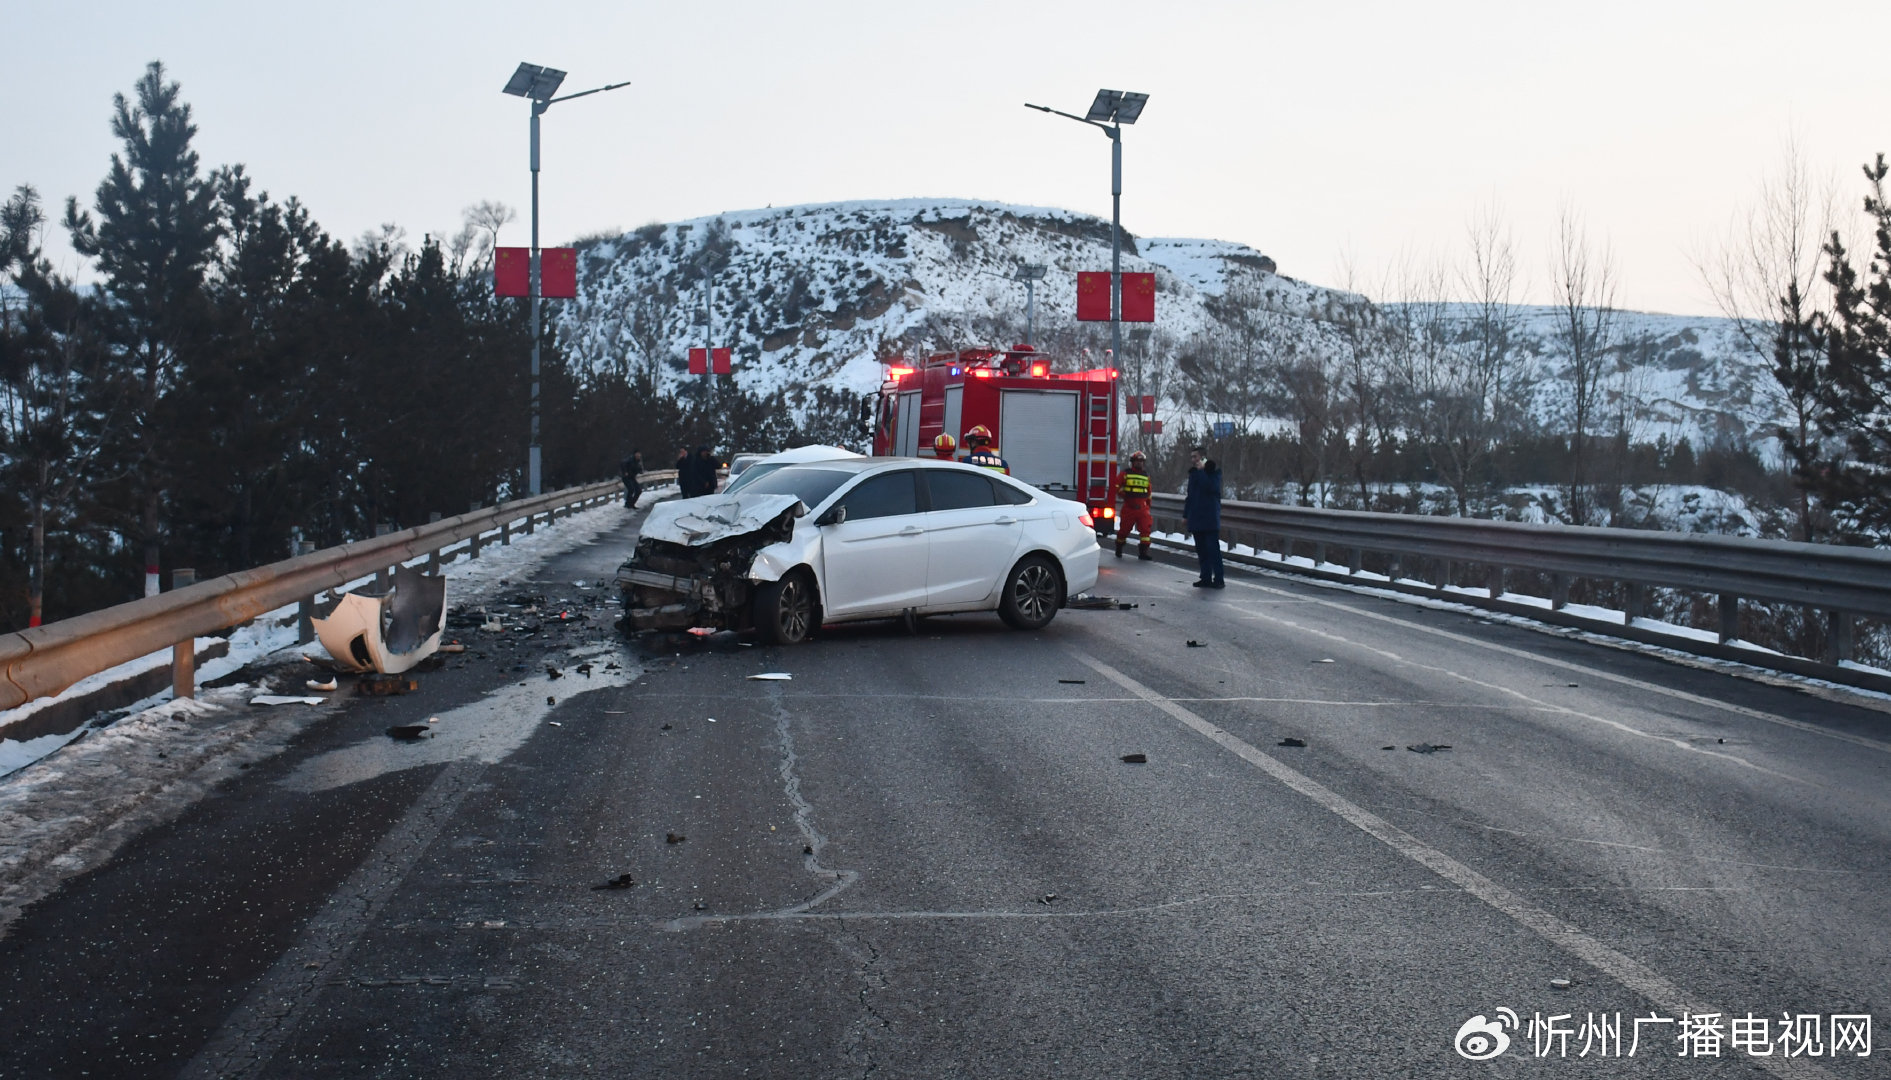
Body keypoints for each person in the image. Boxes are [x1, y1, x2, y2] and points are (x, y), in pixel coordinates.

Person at [1184, 445, 1223, 588]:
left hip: (1209, 517)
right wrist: (1186, 514)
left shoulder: (1214, 472)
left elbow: (1210, 487)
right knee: (1201, 550)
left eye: (1195, 457)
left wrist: (1202, 472)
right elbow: (1190, 496)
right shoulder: (1193, 474)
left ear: (1203, 457)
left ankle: (1219, 579)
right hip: (1196, 517)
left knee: (1213, 550)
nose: (1193, 460)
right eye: (1192, 457)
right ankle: (1205, 577)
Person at [1114, 450, 1154, 560]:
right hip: (1129, 507)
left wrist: (1148, 506)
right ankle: (1119, 547)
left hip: (1142, 508)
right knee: (1124, 531)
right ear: (1133, 461)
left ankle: (1143, 552)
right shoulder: (1125, 473)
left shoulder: (1146, 476)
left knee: (1145, 530)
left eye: (1141, 461)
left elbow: (1149, 492)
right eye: (1137, 461)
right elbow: (1117, 485)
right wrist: (1123, 494)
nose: (1140, 463)